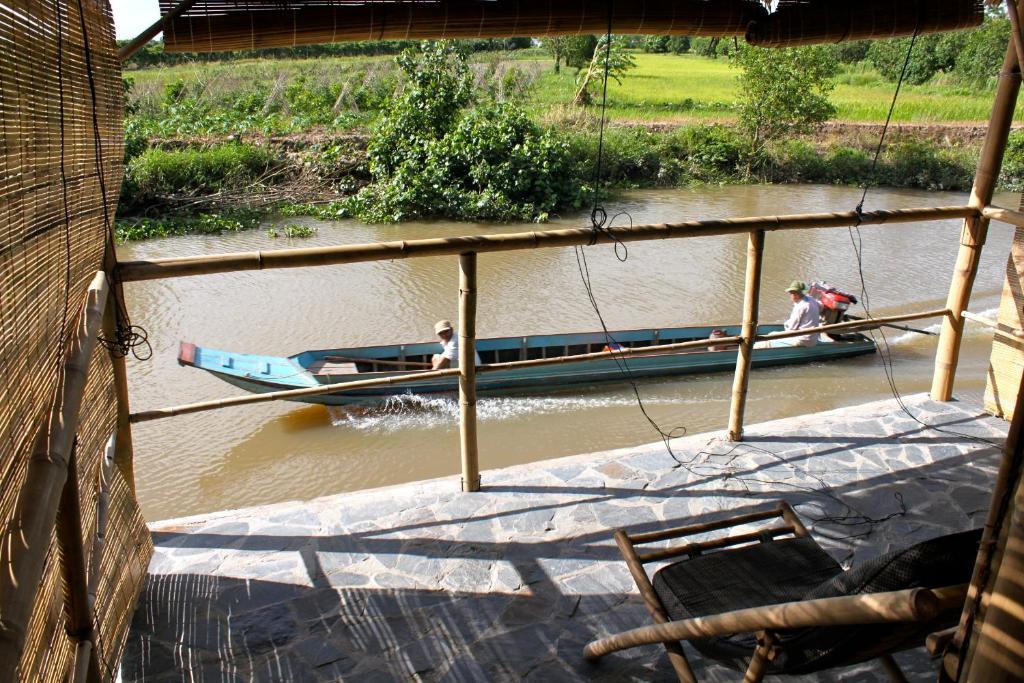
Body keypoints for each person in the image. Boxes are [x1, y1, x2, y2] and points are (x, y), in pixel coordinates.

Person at [755, 281, 821, 349]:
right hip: (813, 338)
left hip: (803, 340)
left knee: (769, 339)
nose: (790, 295)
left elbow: (791, 328)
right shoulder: (811, 299)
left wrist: (786, 324)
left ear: (796, 294)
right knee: (772, 334)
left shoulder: (800, 306)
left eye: (791, 293)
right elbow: (820, 306)